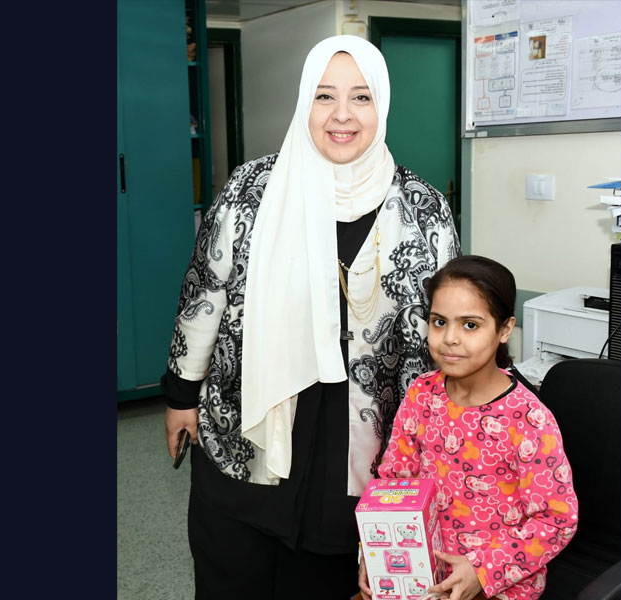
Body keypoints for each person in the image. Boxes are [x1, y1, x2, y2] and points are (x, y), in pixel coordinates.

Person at [162, 35, 460, 599]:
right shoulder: (252, 190)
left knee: (330, 576)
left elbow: (440, 334)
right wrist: (180, 394)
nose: (342, 116)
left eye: (361, 98)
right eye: (324, 97)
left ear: (383, 107)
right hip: (252, 422)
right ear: (305, 103)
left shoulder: (423, 209)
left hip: (364, 442)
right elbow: (206, 290)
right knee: (235, 571)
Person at [363, 255, 578, 600]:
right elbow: (393, 482)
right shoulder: (422, 393)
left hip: (499, 588)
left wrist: (482, 571)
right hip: (420, 576)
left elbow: (556, 521)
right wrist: (374, 552)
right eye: (438, 322)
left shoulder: (528, 419)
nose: (450, 338)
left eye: (470, 325)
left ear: (505, 329)